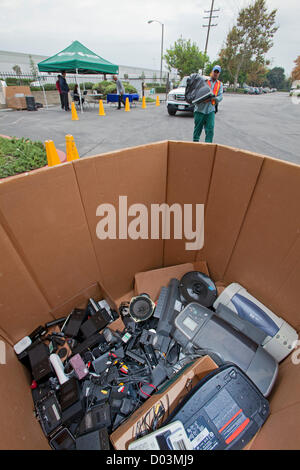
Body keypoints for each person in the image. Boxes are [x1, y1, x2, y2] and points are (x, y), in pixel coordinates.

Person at [193, 65, 223, 143]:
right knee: (197, 130)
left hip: (210, 110)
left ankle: (208, 149)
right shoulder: (204, 81)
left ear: (219, 74)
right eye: (214, 72)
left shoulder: (220, 84)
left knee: (210, 130)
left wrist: (215, 99)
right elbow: (196, 92)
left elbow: (220, 96)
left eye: (217, 72)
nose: (215, 74)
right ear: (212, 72)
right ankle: (195, 147)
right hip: (200, 110)